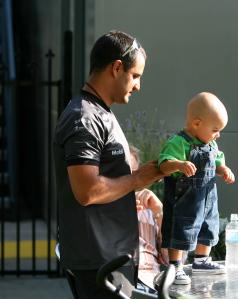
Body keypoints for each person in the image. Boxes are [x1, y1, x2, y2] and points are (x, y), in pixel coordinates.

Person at [54, 30, 164, 299]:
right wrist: (138, 179)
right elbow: (87, 191)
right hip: (99, 263)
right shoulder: (84, 118)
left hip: (109, 259)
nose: (137, 85)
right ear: (117, 68)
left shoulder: (100, 112)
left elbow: (107, 183)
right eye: (135, 75)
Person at [158, 92, 235, 285]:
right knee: (181, 228)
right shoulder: (179, 142)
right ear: (196, 123)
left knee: (208, 227)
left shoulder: (211, 144)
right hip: (185, 198)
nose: (218, 135)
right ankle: (175, 265)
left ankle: (201, 261)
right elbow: (163, 164)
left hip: (207, 197)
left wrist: (223, 169)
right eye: (215, 129)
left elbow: (216, 162)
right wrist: (178, 164)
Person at [129, 145, 168, 290]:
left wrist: (160, 212)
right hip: (119, 278)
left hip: (150, 281)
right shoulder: (102, 210)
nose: (129, 180)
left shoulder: (150, 209)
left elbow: (173, 260)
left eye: (134, 174)